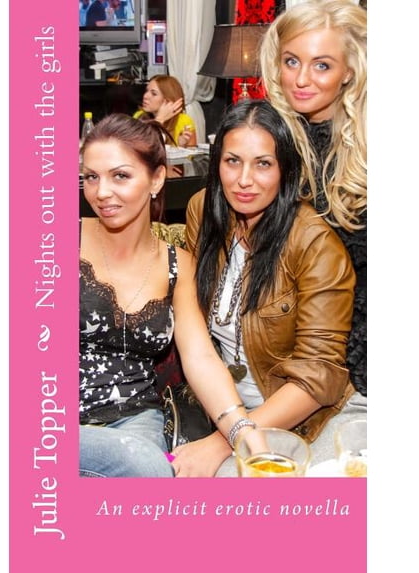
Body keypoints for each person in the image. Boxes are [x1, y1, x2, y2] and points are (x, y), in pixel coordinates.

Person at [174, 99, 355, 476]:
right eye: (232, 161)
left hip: (298, 419)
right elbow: (194, 330)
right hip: (220, 405)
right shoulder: (203, 211)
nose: (244, 180)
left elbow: (318, 377)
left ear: (285, 169)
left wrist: (225, 440)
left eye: (263, 164)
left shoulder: (315, 244)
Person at [79, 113, 255, 477]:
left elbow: (200, 358)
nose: (101, 192)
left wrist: (242, 431)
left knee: (151, 470)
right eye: (91, 177)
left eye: (120, 176)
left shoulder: (179, 264)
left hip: (135, 421)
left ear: (157, 178)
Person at [259, 0, 367, 403]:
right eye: (291, 61)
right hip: (287, 351)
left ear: (349, 71)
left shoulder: (369, 149)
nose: (301, 79)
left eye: (322, 65)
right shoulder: (269, 141)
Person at [133, 75, 197, 148]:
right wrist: (160, 119)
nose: (145, 96)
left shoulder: (184, 120)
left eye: (154, 94)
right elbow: (139, 148)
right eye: (146, 91)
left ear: (168, 100)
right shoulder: (139, 116)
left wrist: (181, 146)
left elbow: (193, 153)